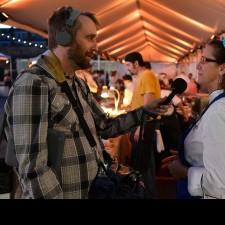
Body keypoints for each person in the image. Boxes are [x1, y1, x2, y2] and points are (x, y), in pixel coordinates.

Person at [2, 6, 169, 199]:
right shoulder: (33, 83)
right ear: (65, 38)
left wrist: (144, 111)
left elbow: (105, 126)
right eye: (90, 38)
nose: (96, 46)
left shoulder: (77, 83)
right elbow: (33, 168)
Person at [162, 37, 225, 199]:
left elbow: (221, 181)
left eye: (204, 60)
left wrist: (184, 171)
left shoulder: (219, 112)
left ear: (223, 68)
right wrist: (191, 154)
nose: (198, 65)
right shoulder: (222, 105)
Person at [124, 52, 161, 199]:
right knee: (146, 162)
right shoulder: (143, 76)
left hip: (146, 124)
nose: (127, 68)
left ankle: (149, 195)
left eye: (128, 65)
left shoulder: (146, 75)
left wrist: (141, 127)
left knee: (142, 164)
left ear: (136, 63)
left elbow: (148, 103)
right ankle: (150, 194)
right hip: (144, 123)